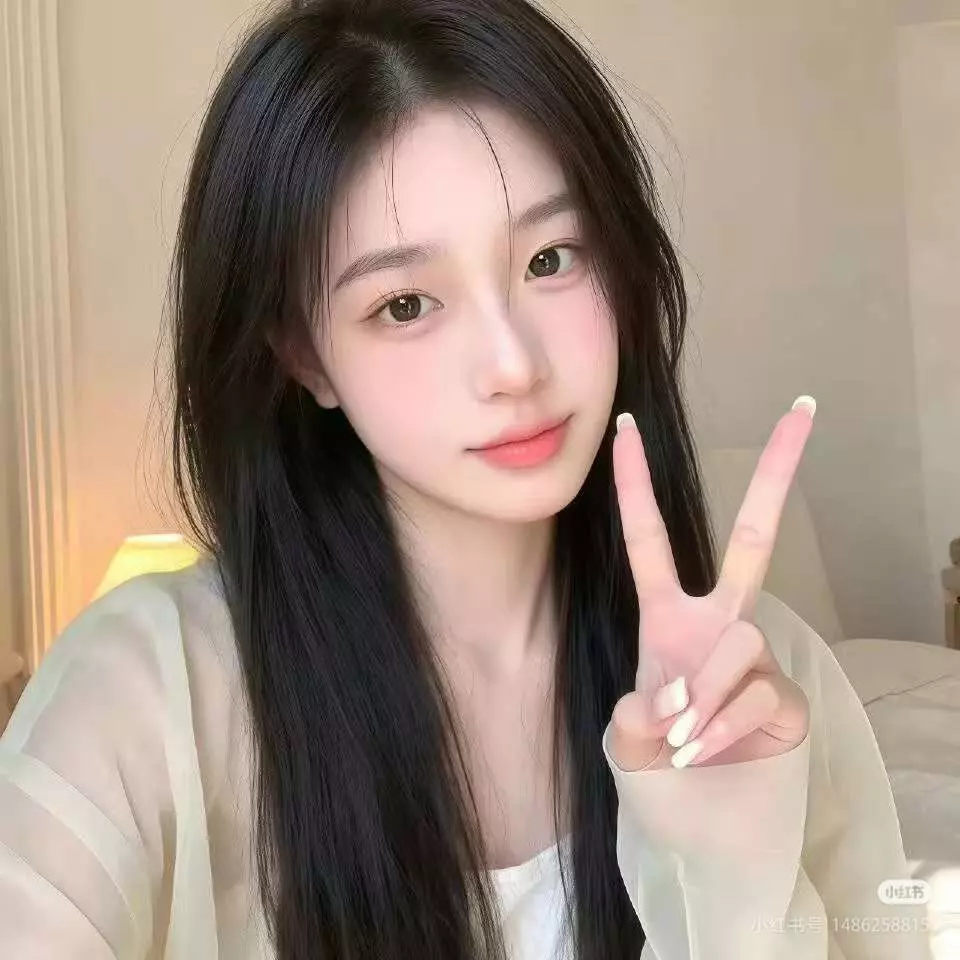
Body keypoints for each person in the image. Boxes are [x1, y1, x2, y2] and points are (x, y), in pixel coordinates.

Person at [0, 1, 930, 958]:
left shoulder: (756, 684)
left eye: (550, 259)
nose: (513, 365)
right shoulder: (145, 695)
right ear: (303, 356)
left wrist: (724, 882)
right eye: (406, 304)